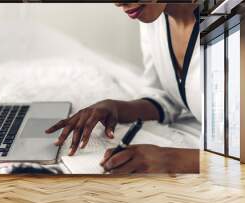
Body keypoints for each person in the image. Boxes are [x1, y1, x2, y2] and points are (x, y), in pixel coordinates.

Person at [46, 3, 200, 174]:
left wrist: (169, 160)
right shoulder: (153, 16)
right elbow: (166, 97)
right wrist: (115, 108)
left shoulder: (231, 20)